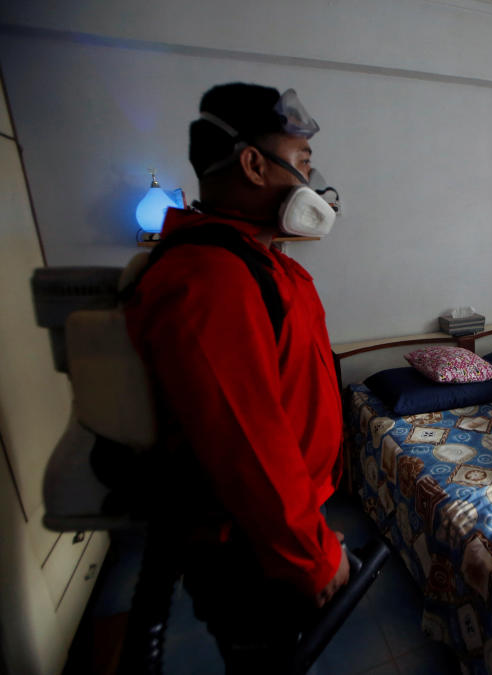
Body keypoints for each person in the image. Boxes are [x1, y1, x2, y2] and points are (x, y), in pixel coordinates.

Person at [124, 82, 348, 672]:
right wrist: (313, 557)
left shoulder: (259, 260)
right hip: (247, 543)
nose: (311, 184)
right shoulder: (211, 279)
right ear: (253, 164)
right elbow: (248, 447)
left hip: (274, 526)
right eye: (301, 164)